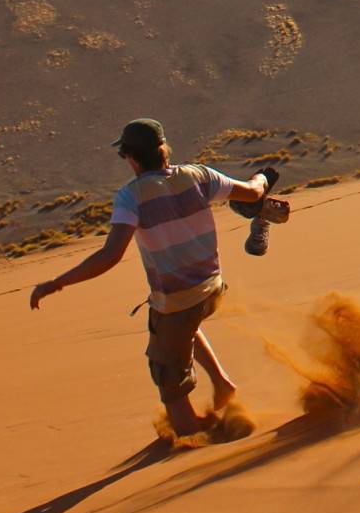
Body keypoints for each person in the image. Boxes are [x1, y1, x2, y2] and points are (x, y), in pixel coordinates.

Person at [29, 117, 276, 437]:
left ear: (130, 158)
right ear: (163, 149)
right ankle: (221, 382)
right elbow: (254, 193)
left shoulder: (131, 197)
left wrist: (57, 282)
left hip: (177, 300)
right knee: (180, 325)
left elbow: (110, 255)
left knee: (168, 380)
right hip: (212, 289)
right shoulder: (199, 175)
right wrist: (264, 176)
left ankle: (193, 445)